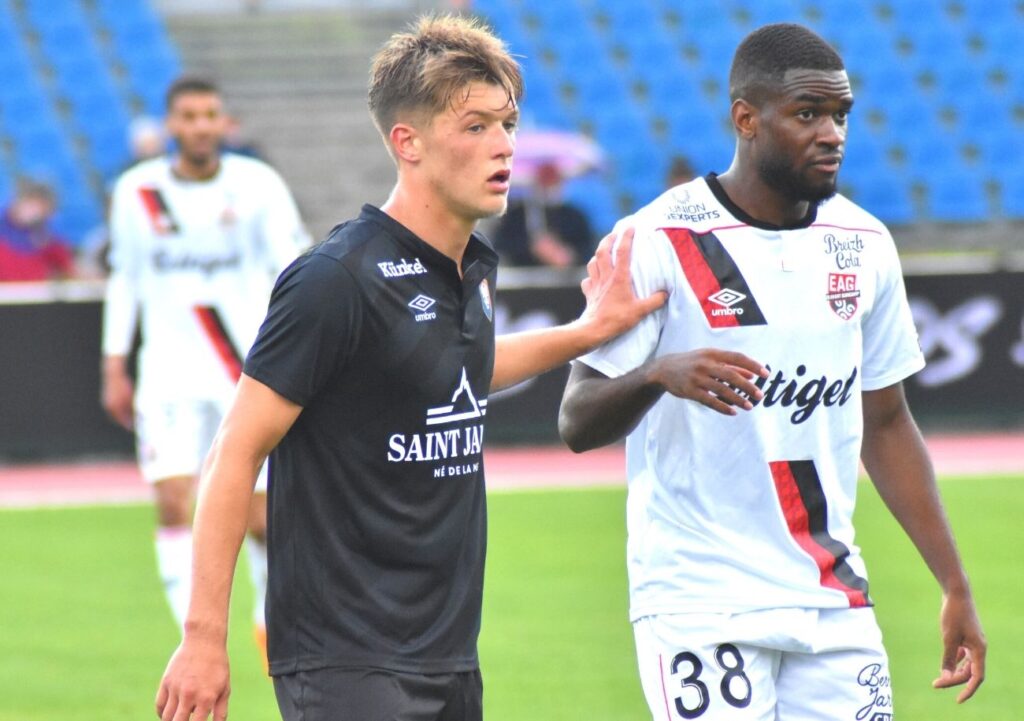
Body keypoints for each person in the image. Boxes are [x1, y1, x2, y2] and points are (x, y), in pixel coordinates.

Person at [154, 14, 663, 721]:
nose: (504, 146)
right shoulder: (336, 278)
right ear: (407, 142)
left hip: (448, 652)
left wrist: (588, 331)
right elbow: (233, 453)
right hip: (345, 658)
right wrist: (203, 638)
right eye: (476, 126)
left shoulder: (472, 266)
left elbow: (455, 371)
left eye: (508, 124)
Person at [559, 22, 985, 720]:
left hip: (833, 599)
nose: (832, 134)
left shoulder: (865, 243)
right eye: (808, 114)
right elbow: (576, 421)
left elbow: (886, 422)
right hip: (701, 602)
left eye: (841, 115)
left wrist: (954, 583)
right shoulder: (657, 239)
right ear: (746, 118)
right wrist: (656, 374)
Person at [101, 76, 310, 658]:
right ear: (171, 124)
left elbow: (296, 271)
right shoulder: (137, 191)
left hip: (248, 370)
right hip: (167, 371)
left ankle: (267, 620)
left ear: (224, 122)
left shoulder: (258, 185)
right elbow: (125, 278)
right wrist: (114, 363)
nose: (199, 126)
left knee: (261, 516)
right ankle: (189, 641)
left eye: (209, 115)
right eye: (188, 116)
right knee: (173, 499)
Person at [490, 160, 595, 267]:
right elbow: (500, 248)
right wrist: (531, 248)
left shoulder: (574, 216)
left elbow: (588, 250)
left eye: (552, 177)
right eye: (544, 177)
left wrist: (569, 256)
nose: (548, 183)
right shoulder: (517, 215)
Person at [0, 178, 76, 281]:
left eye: (39, 206)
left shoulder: (51, 240)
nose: (32, 210)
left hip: (34, 289)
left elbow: (70, 271)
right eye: (29, 202)